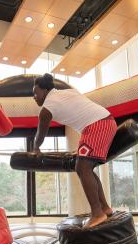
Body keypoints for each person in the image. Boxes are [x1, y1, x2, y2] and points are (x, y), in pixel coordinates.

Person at [31, 73, 117, 228]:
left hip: (97, 125)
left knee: (82, 167)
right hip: (103, 122)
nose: (34, 97)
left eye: (35, 93)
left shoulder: (48, 107)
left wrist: (35, 148)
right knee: (87, 168)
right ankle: (104, 207)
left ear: (44, 91)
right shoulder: (65, 92)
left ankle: (98, 214)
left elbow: (40, 135)